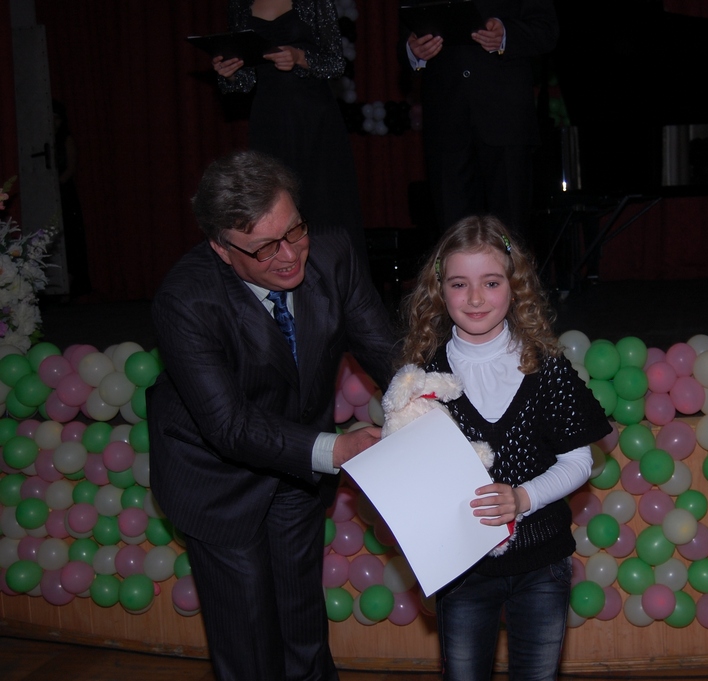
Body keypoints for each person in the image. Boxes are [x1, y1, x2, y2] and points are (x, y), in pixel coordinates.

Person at [148, 150, 395, 681]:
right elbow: (229, 426)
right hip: (218, 480)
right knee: (250, 643)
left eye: (294, 231)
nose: (288, 255)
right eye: (264, 248)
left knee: (302, 627)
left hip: (297, 472)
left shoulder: (333, 254)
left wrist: (432, 401)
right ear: (221, 248)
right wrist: (336, 448)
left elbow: (385, 352)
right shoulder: (185, 300)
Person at [397, 214, 610, 680]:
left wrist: (522, 498)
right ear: (439, 290)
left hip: (542, 564)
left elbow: (580, 461)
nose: (475, 298)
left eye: (491, 283)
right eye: (459, 284)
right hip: (463, 569)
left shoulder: (547, 367)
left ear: (515, 286)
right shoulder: (422, 376)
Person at [214, 0, 366, 256]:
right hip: (268, 118)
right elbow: (244, 81)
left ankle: (335, 276)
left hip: (314, 118)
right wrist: (228, 73)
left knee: (325, 204)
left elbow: (336, 63)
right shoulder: (239, 5)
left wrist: (299, 57)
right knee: (271, 204)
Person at [406, 1, 559, 240]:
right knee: (454, 236)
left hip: (505, 116)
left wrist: (505, 34)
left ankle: (510, 267)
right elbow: (406, 29)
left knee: (511, 234)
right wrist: (412, 50)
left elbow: (547, 29)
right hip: (446, 116)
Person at [52, 100, 92, 299]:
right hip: (48, 190)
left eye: (57, 118)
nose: (54, 122)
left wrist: (57, 183)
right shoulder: (41, 138)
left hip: (64, 191)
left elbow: (71, 167)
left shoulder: (66, 139)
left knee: (71, 235)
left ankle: (70, 282)